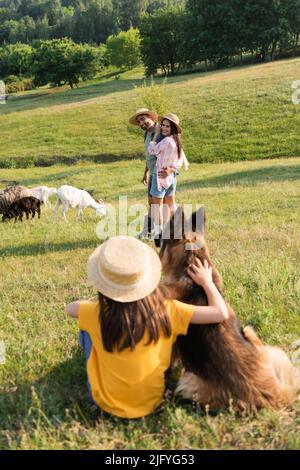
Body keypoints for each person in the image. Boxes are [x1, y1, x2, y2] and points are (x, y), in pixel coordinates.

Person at [66, 236, 228, 419]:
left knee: (85, 333)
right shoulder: (169, 309)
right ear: (147, 278)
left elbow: (69, 308)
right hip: (152, 402)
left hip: (105, 403)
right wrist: (207, 282)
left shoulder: (96, 312)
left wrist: (98, 304)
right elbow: (220, 312)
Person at [129, 108, 177, 239]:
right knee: (153, 202)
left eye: (143, 119)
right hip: (153, 173)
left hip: (162, 174)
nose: (141, 123)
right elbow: (149, 155)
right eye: (139, 121)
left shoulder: (161, 132)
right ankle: (148, 230)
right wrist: (146, 172)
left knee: (162, 203)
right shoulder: (147, 134)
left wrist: (172, 170)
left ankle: (163, 231)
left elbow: (176, 151)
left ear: (151, 117)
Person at [148, 113, 189, 241]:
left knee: (157, 206)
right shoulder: (177, 143)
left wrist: (155, 134)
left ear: (173, 128)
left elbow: (152, 150)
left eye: (168, 126)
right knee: (170, 203)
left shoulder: (166, 141)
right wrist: (171, 169)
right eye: (163, 125)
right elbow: (180, 162)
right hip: (171, 179)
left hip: (160, 177)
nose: (164, 128)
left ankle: (159, 234)